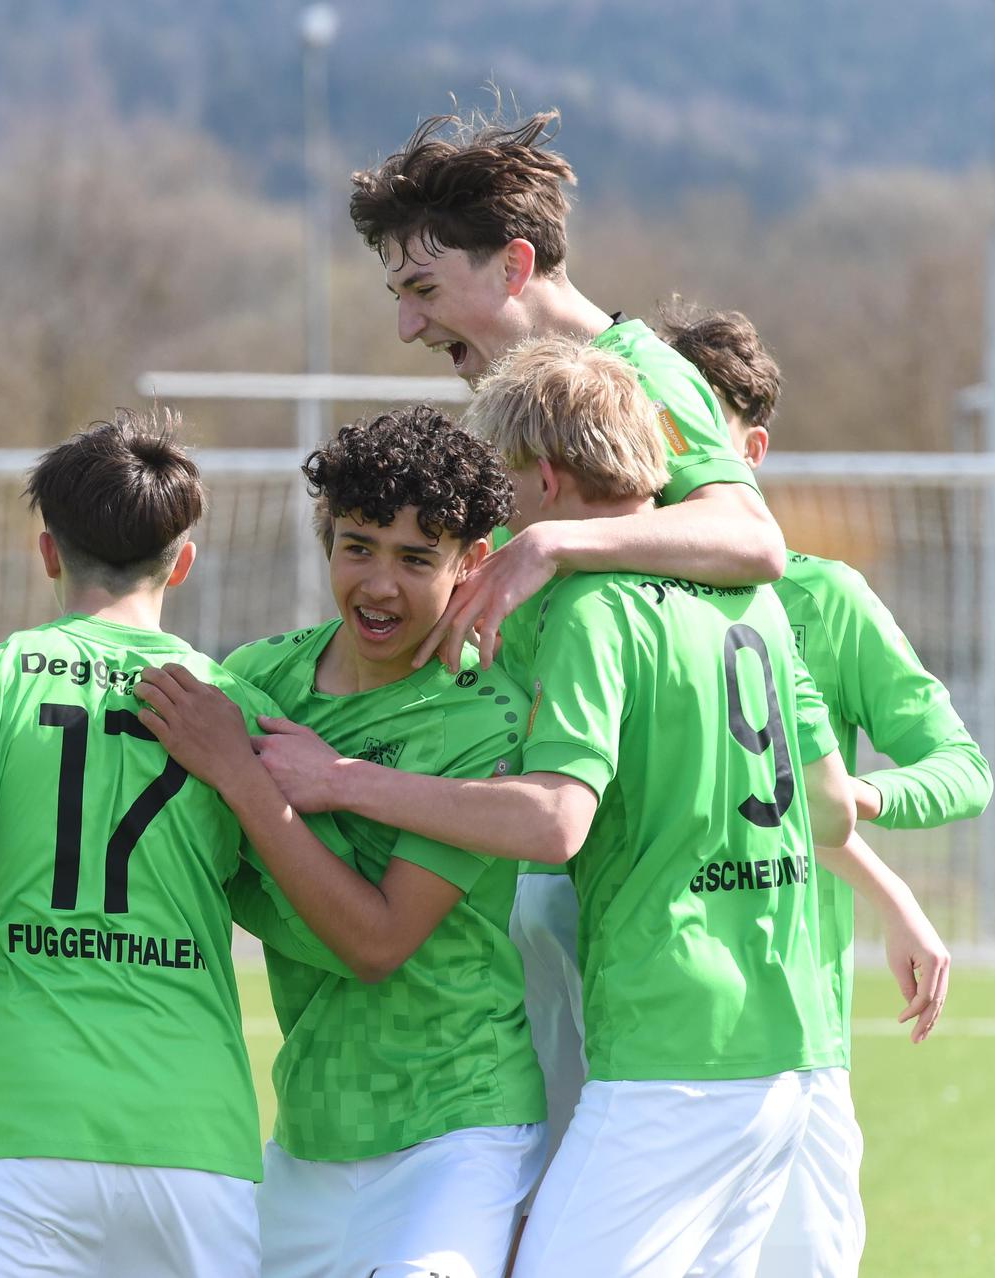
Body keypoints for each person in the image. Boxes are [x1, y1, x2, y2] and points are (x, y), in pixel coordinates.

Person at [249, 336, 942, 1275]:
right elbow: (825, 809)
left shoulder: (593, 609)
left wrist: (342, 779)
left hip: (671, 1041)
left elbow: (554, 821)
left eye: (506, 476)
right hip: (791, 1038)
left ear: (544, 476)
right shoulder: (754, 601)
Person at [349, 108, 791, 1164]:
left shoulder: (639, 371)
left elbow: (753, 538)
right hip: (561, 863)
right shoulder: (524, 408)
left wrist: (553, 544)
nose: (407, 326)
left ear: (513, 266)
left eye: (423, 289)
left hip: (636, 880)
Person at [0, 410, 288, 1277]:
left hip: (15, 1136)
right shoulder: (231, 703)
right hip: (193, 1143)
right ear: (182, 563)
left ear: (48, 553)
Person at [135, 404, 548, 1277]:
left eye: (416, 559)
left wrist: (246, 779)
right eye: (359, 546)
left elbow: (376, 941)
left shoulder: (484, 716)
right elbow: (172, 855)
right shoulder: (258, 678)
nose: (379, 585)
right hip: (311, 1129)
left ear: (472, 563)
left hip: (457, 1126)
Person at [658, 302, 981, 1276]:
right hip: (627, 1035)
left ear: (749, 452)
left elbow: (959, 766)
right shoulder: (592, 600)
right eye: (652, 422)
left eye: (696, 429)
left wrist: (858, 804)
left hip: (790, 1040)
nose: (669, 454)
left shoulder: (825, 600)